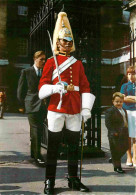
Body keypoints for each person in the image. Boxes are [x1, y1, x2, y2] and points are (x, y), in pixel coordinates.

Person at [39, 12, 95, 194]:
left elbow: (85, 86)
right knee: (53, 148)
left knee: (74, 148)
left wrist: (86, 108)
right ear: (58, 42)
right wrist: (56, 88)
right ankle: (49, 181)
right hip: (56, 107)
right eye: (64, 41)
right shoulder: (49, 62)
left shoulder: (78, 63)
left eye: (70, 41)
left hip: (74, 109)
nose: (68, 44)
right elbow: (42, 88)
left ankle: (73, 179)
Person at [17, 51, 47, 166]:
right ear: (35, 59)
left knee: (37, 131)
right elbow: (20, 91)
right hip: (32, 105)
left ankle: (33, 155)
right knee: (36, 131)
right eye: (41, 59)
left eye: (44, 59)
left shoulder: (46, 72)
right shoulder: (26, 72)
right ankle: (37, 157)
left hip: (43, 106)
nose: (43, 62)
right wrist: (23, 105)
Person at [105, 92, 129, 173]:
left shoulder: (124, 110)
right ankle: (118, 167)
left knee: (126, 146)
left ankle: (114, 159)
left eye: (121, 102)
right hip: (114, 134)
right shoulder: (110, 111)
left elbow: (125, 121)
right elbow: (108, 123)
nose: (119, 103)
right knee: (116, 150)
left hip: (124, 132)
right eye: (117, 101)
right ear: (113, 102)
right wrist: (113, 132)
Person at [120, 65, 136, 167]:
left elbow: (127, 98)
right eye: (129, 74)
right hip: (128, 112)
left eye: (133, 74)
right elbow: (124, 99)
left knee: (135, 136)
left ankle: (135, 157)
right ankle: (129, 156)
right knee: (127, 135)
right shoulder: (124, 86)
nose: (131, 76)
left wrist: (129, 97)